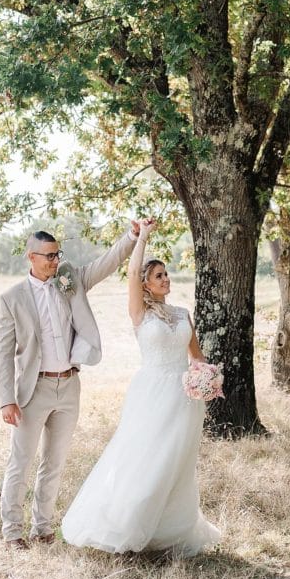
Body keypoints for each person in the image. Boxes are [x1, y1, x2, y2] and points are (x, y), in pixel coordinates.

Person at [61, 218, 221, 556]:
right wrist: (142, 237)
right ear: (146, 284)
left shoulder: (182, 314)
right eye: (158, 275)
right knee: (143, 458)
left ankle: (168, 531)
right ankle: (126, 524)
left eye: (166, 274)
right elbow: (132, 272)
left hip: (184, 399)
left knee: (175, 463)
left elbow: (197, 357)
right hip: (150, 394)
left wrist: (207, 379)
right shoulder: (139, 313)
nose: (165, 279)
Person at [0, 222, 139, 549]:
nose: (55, 260)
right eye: (48, 255)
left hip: (69, 386)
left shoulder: (68, 278)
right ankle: (12, 532)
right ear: (31, 257)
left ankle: (42, 529)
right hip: (33, 391)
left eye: (58, 253)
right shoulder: (11, 299)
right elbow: (2, 354)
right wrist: (6, 399)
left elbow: (105, 264)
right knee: (21, 461)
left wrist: (130, 237)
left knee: (54, 462)